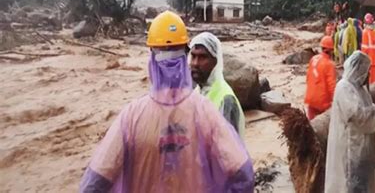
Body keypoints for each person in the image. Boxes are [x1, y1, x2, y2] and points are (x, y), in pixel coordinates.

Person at [79, 11, 254, 193]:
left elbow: (94, 183)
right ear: (184, 56)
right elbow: (243, 174)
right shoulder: (205, 110)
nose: (195, 63)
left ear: (152, 59)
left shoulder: (131, 116)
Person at [325, 51, 375, 193]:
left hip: (364, 148)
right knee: (352, 184)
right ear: (358, 70)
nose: (367, 76)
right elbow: (356, 114)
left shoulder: (360, 89)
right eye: (366, 72)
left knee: (365, 184)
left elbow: (367, 110)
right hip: (351, 147)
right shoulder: (344, 87)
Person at [189, 32, 245, 137]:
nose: (195, 63)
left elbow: (230, 149)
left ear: (215, 62)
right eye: (193, 56)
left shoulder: (226, 99)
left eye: (202, 57)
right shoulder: (197, 92)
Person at [304, 36, 337, 120]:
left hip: (310, 98)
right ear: (331, 50)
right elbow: (332, 86)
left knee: (311, 125)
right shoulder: (329, 64)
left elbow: (308, 78)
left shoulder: (313, 59)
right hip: (322, 102)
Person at [361, 13, 375, 84]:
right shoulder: (374, 32)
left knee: (369, 82)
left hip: (368, 61)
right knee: (374, 81)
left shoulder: (365, 32)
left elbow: (364, 49)